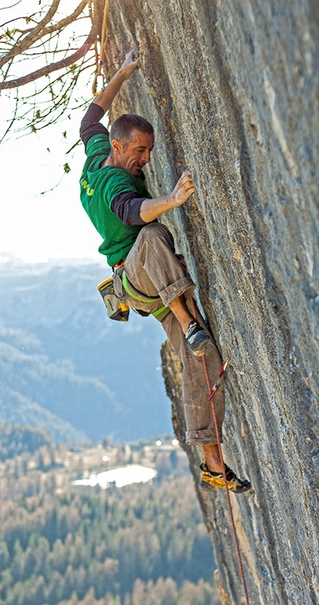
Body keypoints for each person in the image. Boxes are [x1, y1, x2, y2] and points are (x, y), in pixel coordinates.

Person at [79, 50, 251, 493]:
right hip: (136, 276)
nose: (146, 159)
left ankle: (213, 461)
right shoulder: (115, 185)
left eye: (148, 151)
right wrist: (172, 201)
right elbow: (135, 211)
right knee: (153, 234)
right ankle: (188, 319)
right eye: (139, 151)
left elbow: (91, 116)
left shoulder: (98, 154)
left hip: (150, 283)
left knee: (204, 355)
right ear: (119, 147)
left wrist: (122, 72)